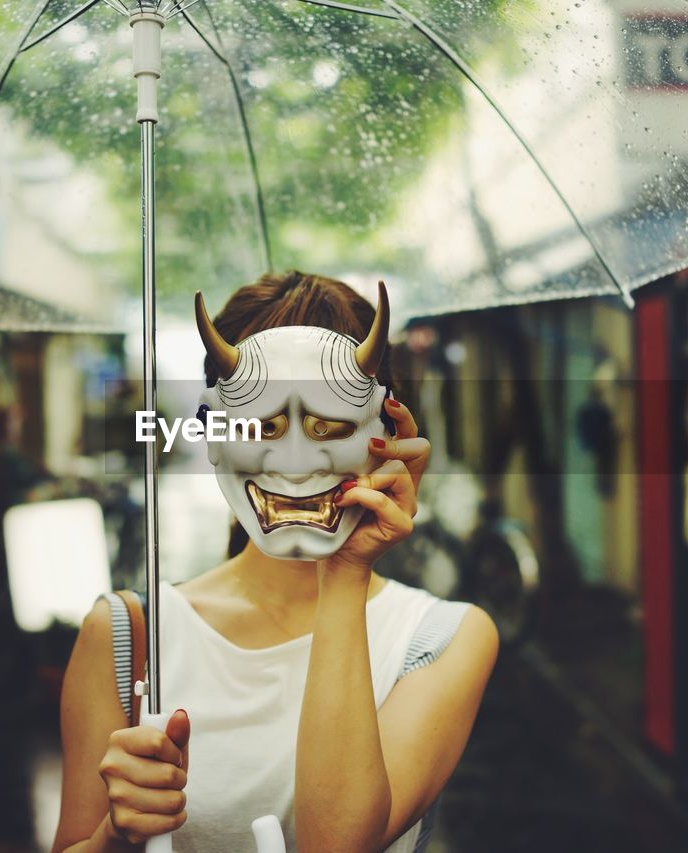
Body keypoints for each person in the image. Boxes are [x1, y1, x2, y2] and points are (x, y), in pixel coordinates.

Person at [53, 271, 499, 853]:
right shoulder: (128, 636)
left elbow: (336, 844)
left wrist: (344, 571)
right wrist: (116, 834)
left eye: (328, 425)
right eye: (261, 424)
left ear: (386, 432)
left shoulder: (441, 640)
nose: (292, 462)